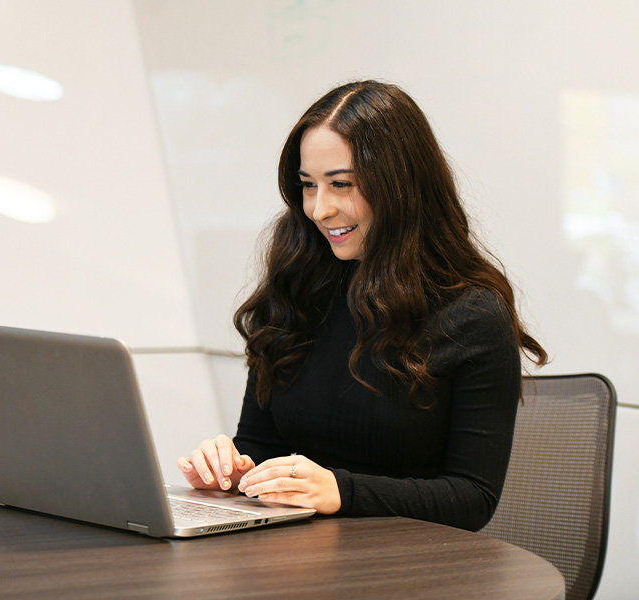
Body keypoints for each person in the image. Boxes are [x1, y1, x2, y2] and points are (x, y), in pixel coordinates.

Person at [177, 80, 547, 531]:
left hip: (404, 568)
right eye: (308, 186)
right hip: (294, 559)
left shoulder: (472, 314)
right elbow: (261, 445)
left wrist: (342, 490)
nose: (318, 209)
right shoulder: (298, 286)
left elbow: (471, 499)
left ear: (402, 186)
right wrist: (236, 474)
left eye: (341, 184)